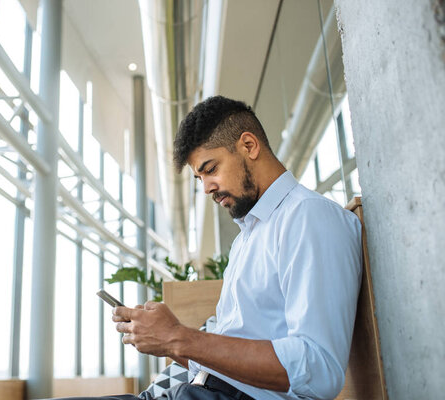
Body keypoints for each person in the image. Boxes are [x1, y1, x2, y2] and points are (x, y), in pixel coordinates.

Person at [70, 95, 362, 400]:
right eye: (200, 177)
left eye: (211, 169)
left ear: (249, 146)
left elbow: (319, 369)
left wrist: (178, 338)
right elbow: (230, 359)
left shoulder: (309, 217)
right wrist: (168, 340)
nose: (206, 187)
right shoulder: (246, 240)